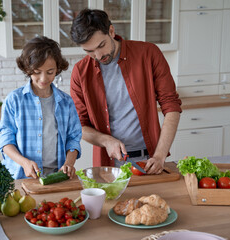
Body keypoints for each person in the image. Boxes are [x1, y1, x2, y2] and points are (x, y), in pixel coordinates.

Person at [70, 9, 182, 174]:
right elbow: (80, 126)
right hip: (108, 165)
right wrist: (106, 141)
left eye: (101, 45)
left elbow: (171, 105)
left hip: (150, 160)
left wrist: (160, 155)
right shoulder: (80, 73)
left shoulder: (148, 53)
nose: (99, 55)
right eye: (89, 51)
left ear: (111, 31)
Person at [0, 36, 82, 180]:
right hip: (21, 176)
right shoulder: (14, 100)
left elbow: (73, 138)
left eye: (50, 72)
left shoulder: (66, 102)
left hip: (56, 176)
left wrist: (69, 163)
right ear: (27, 68)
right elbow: (6, 141)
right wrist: (24, 162)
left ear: (57, 69)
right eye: (37, 72)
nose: (43, 79)